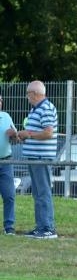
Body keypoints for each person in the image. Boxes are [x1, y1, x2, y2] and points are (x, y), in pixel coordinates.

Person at [17, 81, 58, 239]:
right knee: (37, 192)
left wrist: (29, 134)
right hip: (35, 157)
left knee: (43, 192)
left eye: (28, 94)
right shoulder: (35, 109)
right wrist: (25, 136)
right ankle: (41, 226)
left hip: (41, 158)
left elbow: (48, 133)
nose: (27, 98)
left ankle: (48, 228)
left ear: (35, 94)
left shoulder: (46, 108)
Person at [0, 94, 18, 235]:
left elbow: (16, 140)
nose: (0, 103)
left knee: (9, 195)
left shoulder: (6, 116)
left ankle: (9, 226)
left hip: (6, 161)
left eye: (0, 100)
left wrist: (14, 135)